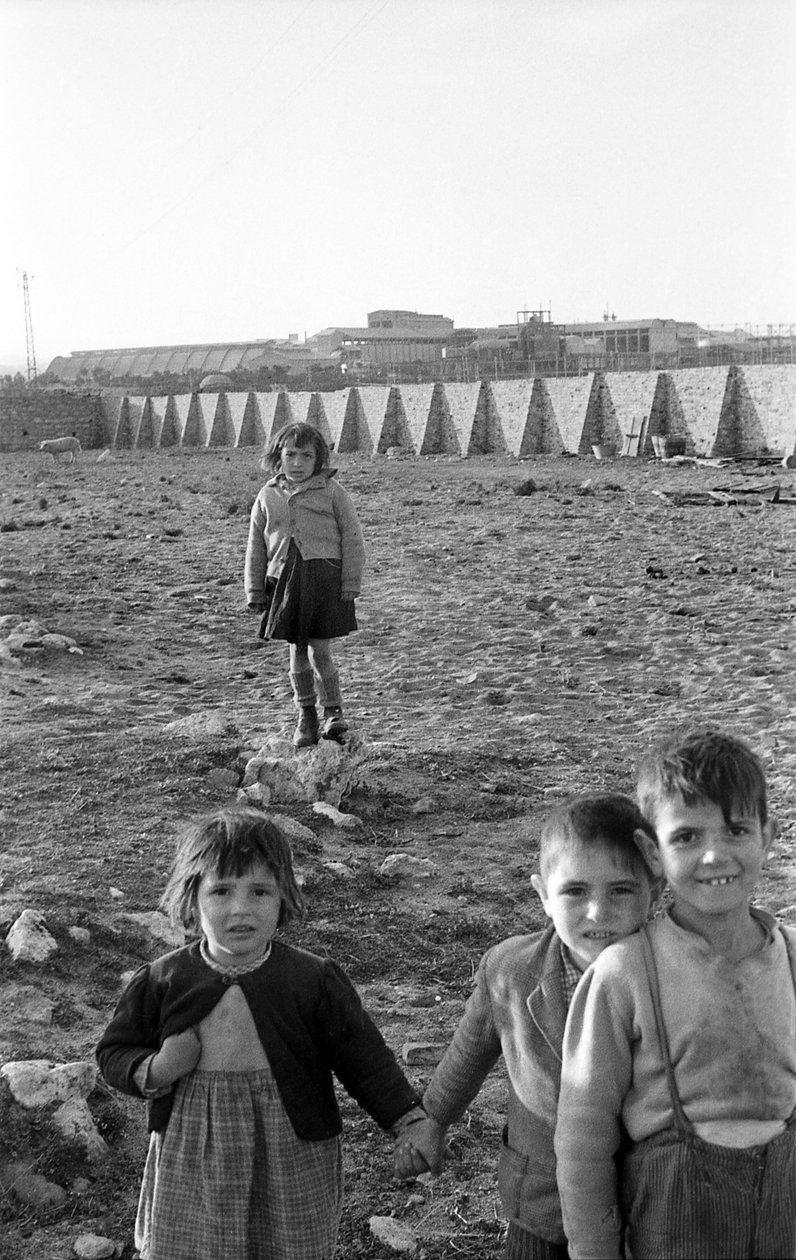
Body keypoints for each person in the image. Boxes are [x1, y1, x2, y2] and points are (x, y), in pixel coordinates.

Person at [96, 806, 424, 1260]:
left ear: (283, 897)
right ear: (192, 899)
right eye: (222, 891)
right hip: (193, 1151)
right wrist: (156, 1068)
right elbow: (113, 1051)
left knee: (287, 1247)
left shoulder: (312, 980)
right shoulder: (163, 979)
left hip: (289, 1146)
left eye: (260, 891)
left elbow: (364, 1060)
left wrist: (410, 1121)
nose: (241, 910)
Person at [555, 728, 796, 1260]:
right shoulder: (626, 973)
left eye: (736, 830)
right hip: (672, 1228)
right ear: (652, 852)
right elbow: (583, 1139)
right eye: (686, 837)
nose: (714, 856)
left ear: (769, 837)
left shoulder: (792, 960)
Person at [394, 793, 660, 1260]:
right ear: (542, 894)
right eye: (575, 891)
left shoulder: (672, 976)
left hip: (646, 1201)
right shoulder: (511, 971)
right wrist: (433, 1119)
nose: (597, 912)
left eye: (620, 889)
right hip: (541, 1200)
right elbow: (471, 1049)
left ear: (653, 891)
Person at [244, 421, 364, 748]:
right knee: (296, 649)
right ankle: (306, 714)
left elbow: (352, 537)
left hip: (323, 577)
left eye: (306, 456)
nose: (297, 463)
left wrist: (350, 580)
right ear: (278, 456)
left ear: (318, 459)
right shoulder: (268, 494)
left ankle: (333, 712)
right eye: (290, 455)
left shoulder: (332, 492)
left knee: (320, 650)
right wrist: (255, 590)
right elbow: (256, 544)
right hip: (282, 580)